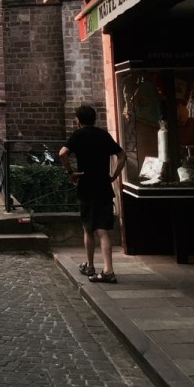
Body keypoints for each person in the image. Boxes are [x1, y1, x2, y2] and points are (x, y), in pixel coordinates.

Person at [59, 104, 127, 284]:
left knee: (88, 228)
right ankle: (108, 270)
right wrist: (114, 175)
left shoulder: (78, 135)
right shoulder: (103, 134)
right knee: (103, 230)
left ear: (78, 120)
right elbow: (122, 156)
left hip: (86, 185)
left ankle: (91, 266)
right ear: (94, 119)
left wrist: (70, 173)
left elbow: (62, 153)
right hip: (103, 185)